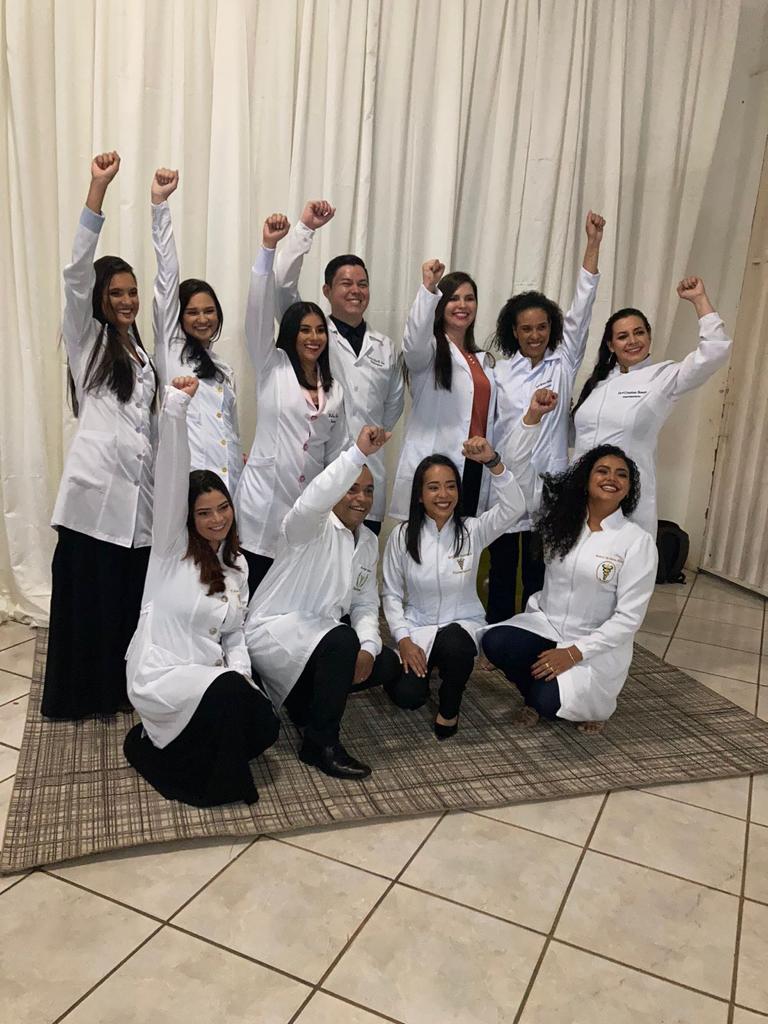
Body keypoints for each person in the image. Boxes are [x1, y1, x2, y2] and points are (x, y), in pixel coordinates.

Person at [124, 377, 279, 807]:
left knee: (263, 723)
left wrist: (244, 676)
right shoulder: (170, 550)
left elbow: (234, 634)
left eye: (223, 508)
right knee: (229, 703)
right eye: (204, 513)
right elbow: (173, 476)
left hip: (209, 678)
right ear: (189, 518)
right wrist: (176, 408)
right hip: (160, 674)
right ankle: (198, 777)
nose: (217, 520)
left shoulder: (238, 564)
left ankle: (177, 744)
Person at [42, 152, 157, 720]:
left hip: (135, 507)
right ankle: (79, 696)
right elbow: (75, 271)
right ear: (98, 299)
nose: (127, 301)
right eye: (116, 294)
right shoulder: (87, 340)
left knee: (122, 605)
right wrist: (97, 190)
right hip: (94, 505)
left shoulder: (139, 350)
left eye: (132, 292)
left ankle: (117, 689)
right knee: (88, 604)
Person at [381, 390, 556, 739]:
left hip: (461, 625)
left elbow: (514, 507)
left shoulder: (473, 530)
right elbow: (390, 594)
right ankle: (428, 666)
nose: (443, 495)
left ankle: (449, 708)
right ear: (420, 495)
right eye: (433, 488)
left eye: (450, 487)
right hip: (418, 628)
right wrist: (403, 639)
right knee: (407, 697)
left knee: (456, 645)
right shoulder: (401, 536)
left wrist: (494, 463)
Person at [245, 425, 401, 780]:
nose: (361, 499)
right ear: (336, 489)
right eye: (351, 489)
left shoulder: (367, 542)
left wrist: (369, 647)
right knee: (340, 640)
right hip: (274, 633)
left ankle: (304, 702)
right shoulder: (307, 525)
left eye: (369, 491)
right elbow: (314, 497)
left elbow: (364, 604)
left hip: (321, 642)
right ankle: (320, 744)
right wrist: (357, 454)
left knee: (383, 662)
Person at [481, 440, 658, 733]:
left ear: (629, 488)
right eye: (602, 471)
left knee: (548, 704)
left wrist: (574, 652)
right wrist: (529, 422)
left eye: (621, 474)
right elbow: (519, 467)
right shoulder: (561, 523)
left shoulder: (636, 542)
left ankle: (567, 700)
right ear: (586, 480)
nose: (612, 478)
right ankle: (538, 690)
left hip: (594, 645)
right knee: (496, 642)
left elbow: (629, 619)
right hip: (548, 627)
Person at [487, 211, 605, 623]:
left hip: (551, 485)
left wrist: (593, 244)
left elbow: (582, 308)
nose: (535, 335)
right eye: (526, 329)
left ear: (551, 329)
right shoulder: (500, 374)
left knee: (541, 570)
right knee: (503, 568)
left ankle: (536, 630)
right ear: (514, 332)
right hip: (508, 483)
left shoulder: (563, 363)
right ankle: (496, 633)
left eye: (541, 327)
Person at [273, 200, 405, 534]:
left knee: (361, 561)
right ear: (327, 290)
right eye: (346, 283)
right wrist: (305, 229)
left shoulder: (386, 348)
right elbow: (282, 286)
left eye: (362, 284)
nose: (356, 291)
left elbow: (391, 410)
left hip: (367, 480)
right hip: (321, 480)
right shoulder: (313, 337)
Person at [234, 214, 347, 596]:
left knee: (290, 600)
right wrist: (268, 249)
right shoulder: (273, 365)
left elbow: (335, 454)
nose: (314, 338)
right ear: (290, 334)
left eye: (320, 330)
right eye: (305, 330)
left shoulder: (334, 390)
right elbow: (257, 311)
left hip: (305, 512)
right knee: (251, 595)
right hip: (261, 508)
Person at [571, 277, 732, 535]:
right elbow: (577, 437)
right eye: (622, 336)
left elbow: (714, 352)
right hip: (580, 498)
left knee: (619, 558)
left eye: (639, 332)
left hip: (626, 499)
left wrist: (699, 299)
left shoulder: (663, 377)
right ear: (611, 345)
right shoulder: (597, 384)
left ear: (649, 336)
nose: (632, 341)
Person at [150, 167, 243, 491]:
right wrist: (159, 204)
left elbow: (229, 432)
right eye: (192, 312)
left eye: (209, 311)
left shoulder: (223, 368)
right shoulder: (171, 349)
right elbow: (167, 275)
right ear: (178, 317)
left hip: (227, 487)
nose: (202, 319)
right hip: (185, 487)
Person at [389, 260, 496, 520]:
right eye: (454, 299)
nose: (462, 305)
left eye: (469, 299)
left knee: (465, 542)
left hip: (474, 467)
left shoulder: (483, 361)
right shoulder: (429, 352)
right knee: (426, 541)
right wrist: (428, 288)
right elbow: (414, 341)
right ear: (440, 304)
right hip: (435, 470)